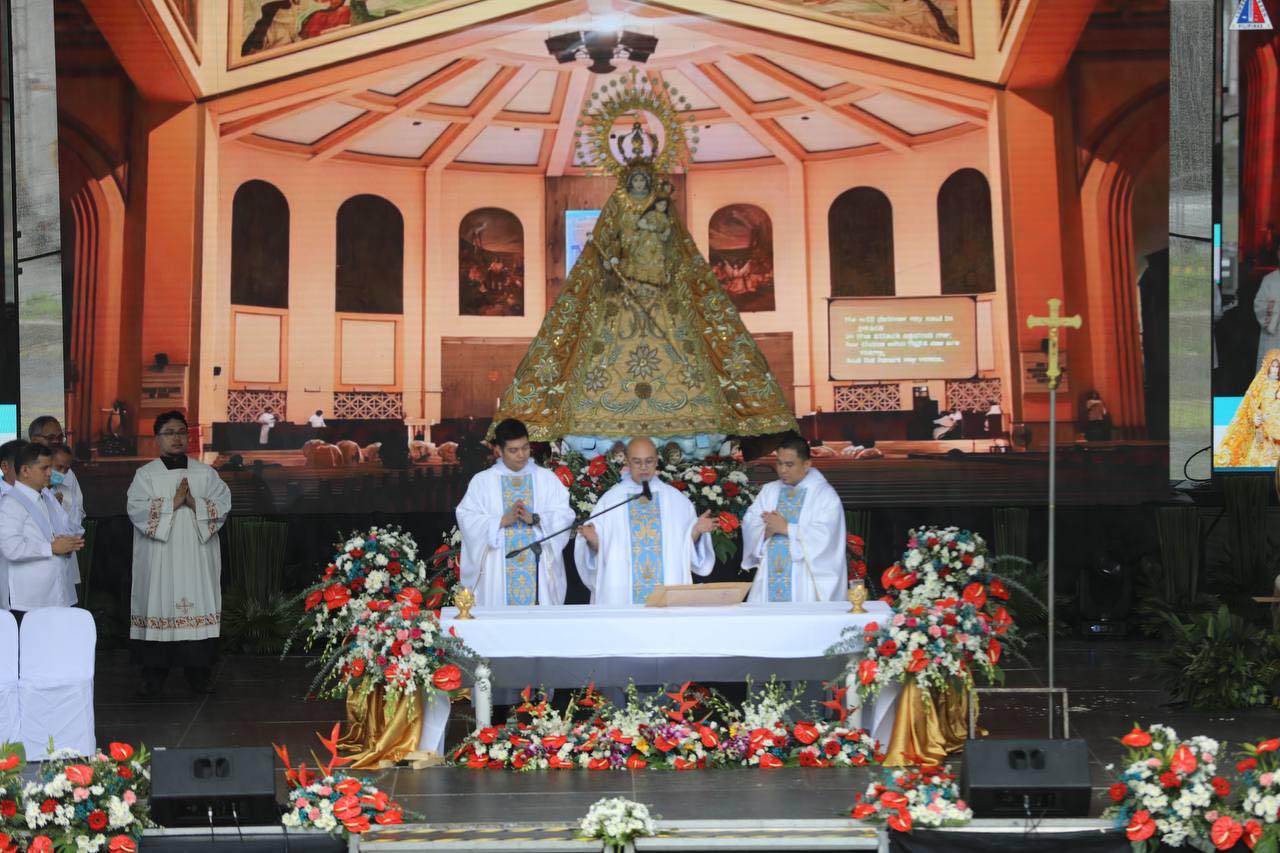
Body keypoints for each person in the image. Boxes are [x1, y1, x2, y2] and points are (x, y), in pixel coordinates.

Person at [126, 411, 231, 697]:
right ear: (157, 439)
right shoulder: (146, 475)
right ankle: (153, 677)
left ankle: (199, 676)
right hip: (159, 557)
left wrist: (194, 502)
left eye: (182, 432)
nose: (177, 438)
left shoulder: (205, 473)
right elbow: (136, 509)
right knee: (158, 606)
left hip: (197, 556)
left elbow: (223, 504)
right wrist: (172, 502)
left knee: (198, 608)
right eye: (169, 433)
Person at [574, 437, 715, 605]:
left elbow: (683, 550)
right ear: (627, 462)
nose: (643, 467)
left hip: (666, 601)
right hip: (623, 595)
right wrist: (592, 540)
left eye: (649, 461)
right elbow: (603, 553)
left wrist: (696, 531)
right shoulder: (611, 500)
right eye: (637, 462)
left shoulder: (676, 501)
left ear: (656, 461)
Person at [455, 419, 575, 607]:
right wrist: (500, 521)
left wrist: (536, 518)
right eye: (513, 450)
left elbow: (565, 515)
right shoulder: (483, 481)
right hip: (498, 566)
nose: (521, 455)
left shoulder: (546, 478)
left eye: (525, 448)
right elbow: (466, 517)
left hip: (538, 565)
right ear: (499, 450)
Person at [741, 435, 846, 603]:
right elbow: (750, 522)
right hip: (770, 569)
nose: (782, 470)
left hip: (804, 575)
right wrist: (764, 531)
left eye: (789, 464)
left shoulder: (824, 495)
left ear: (807, 464)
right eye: (779, 463)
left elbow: (827, 535)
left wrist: (786, 528)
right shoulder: (769, 490)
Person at [0, 443, 83, 619]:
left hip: (57, 592)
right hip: (29, 599)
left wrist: (69, 541)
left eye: (50, 467)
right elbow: (11, 548)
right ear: (25, 470)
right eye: (44, 468)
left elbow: (67, 527)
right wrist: (51, 548)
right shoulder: (10, 503)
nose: (50, 473)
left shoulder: (47, 496)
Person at [1217, 351, 1280, 467]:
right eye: (1273, 366)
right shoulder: (1261, 386)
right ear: (1268, 366)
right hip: (1264, 434)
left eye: (1278, 367)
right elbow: (1252, 408)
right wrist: (1256, 421)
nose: (1276, 370)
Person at [28, 417, 85, 520]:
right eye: (50, 438)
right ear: (35, 440)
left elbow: (78, 510)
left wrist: (63, 508)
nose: (56, 442)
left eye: (60, 437)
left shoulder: (68, 473)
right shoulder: (23, 470)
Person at [49, 444, 86, 602]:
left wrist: (60, 508)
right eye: (59, 467)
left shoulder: (65, 492)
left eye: (67, 469)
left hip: (64, 557)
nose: (63, 473)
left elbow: (76, 526)